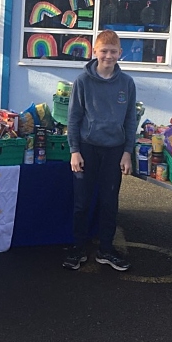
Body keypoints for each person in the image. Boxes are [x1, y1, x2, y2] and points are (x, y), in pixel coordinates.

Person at [63, 30, 137, 271]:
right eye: (104, 51)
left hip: (114, 150)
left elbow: (130, 120)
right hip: (87, 148)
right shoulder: (82, 82)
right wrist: (75, 150)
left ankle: (106, 249)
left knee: (109, 202)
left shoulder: (127, 83)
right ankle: (77, 248)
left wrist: (127, 151)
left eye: (113, 51)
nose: (108, 56)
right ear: (94, 52)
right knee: (81, 203)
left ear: (120, 54)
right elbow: (73, 119)